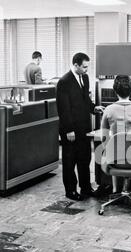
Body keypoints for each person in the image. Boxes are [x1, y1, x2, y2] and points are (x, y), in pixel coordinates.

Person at [56, 52, 104, 201]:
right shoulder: (64, 81)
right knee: (70, 161)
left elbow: (85, 100)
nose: (86, 70)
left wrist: (93, 108)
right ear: (75, 65)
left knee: (85, 158)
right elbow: (63, 108)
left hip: (84, 128)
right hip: (71, 130)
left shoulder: (85, 77)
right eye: (84, 67)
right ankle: (70, 191)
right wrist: (69, 130)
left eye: (87, 67)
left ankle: (86, 187)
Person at [101, 75, 131, 193]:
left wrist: (108, 150)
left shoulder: (108, 110)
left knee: (113, 150)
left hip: (115, 161)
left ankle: (115, 190)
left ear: (115, 91)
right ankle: (125, 189)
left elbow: (104, 137)